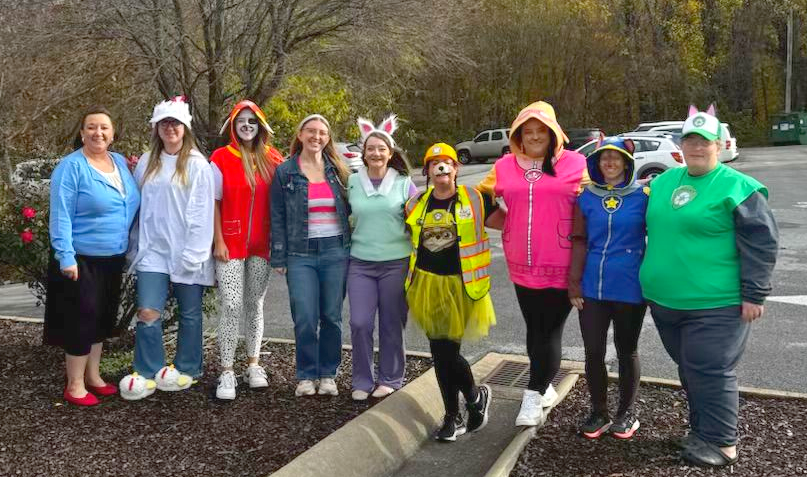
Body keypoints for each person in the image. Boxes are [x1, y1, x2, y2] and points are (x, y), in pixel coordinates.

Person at [639, 105, 778, 466]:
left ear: (720, 144)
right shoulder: (664, 182)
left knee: (710, 369)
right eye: (690, 141)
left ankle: (722, 443)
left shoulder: (739, 187)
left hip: (717, 304)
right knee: (690, 369)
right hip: (666, 301)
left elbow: (762, 243)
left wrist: (755, 294)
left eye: (705, 142)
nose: (697, 148)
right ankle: (701, 432)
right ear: (680, 145)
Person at [477, 101, 588, 427]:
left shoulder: (576, 163)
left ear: (553, 133)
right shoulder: (504, 165)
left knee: (550, 330)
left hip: (562, 262)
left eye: (542, 130)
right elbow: (479, 199)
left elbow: (595, 204)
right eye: (529, 131)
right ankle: (545, 387)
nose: (536, 136)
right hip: (521, 262)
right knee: (534, 328)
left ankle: (533, 393)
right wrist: (505, 224)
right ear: (518, 136)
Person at [120, 97, 215, 400]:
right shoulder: (148, 161)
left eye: (175, 123)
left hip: (188, 251)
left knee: (190, 314)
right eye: (165, 123)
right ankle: (148, 370)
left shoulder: (199, 165)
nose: (170, 128)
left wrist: (194, 254)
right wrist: (133, 246)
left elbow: (202, 213)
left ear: (185, 127)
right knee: (148, 311)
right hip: (152, 252)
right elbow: (138, 206)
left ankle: (188, 368)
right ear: (157, 128)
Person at [46, 106, 140, 406]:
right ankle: (74, 385)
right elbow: (60, 215)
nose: (97, 133)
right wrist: (66, 256)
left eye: (103, 128)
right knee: (81, 320)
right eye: (91, 127)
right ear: (81, 132)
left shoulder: (121, 163)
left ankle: (93, 376)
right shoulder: (71, 167)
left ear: (113, 134)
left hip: (113, 257)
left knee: (102, 318)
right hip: (81, 259)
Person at [405, 143, 497, 442]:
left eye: (447, 162)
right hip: (427, 285)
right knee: (439, 353)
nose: (441, 168)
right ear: (427, 171)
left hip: (462, 286)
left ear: (456, 168)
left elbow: (509, 223)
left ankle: (468, 402)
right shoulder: (416, 204)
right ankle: (461, 409)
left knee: (448, 353)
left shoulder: (477, 198)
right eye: (435, 164)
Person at [568, 137, 649, 439]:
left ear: (627, 163)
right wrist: (574, 283)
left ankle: (627, 413)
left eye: (616, 158)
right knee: (593, 352)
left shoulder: (644, 195)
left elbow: (658, 237)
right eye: (604, 158)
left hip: (630, 287)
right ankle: (598, 411)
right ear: (597, 163)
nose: (610, 163)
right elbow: (578, 240)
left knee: (627, 351)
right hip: (592, 288)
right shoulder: (586, 197)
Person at [270, 114, 351, 397]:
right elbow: (277, 216)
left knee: (331, 315)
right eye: (311, 131)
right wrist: (278, 257)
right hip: (299, 254)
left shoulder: (338, 170)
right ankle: (306, 375)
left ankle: (328, 374)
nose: (317, 137)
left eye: (322, 133)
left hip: (335, 252)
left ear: (327, 139)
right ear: (301, 134)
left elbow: (355, 208)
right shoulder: (285, 172)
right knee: (304, 315)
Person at [210, 100, 284, 400]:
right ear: (232, 125)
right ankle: (226, 369)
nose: (247, 126)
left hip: (260, 246)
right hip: (230, 243)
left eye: (253, 122)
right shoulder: (221, 158)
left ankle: (253, 364)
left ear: (261, 126)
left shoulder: (274, 159)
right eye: (241, 121)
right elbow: (213, 202)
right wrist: (218, 240)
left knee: (255, 304)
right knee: (231, 304)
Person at [347, 115, 417, 401]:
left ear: (390, 153)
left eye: (381, 148)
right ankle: (362, 380)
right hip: (360, 263)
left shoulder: (404, 183)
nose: (376, 153)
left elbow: (418, 223)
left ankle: (390, 377)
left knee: (391, 322)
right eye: (371, 148)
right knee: (360, 322)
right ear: (364, 153)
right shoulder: (351, 181)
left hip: (395, 263)